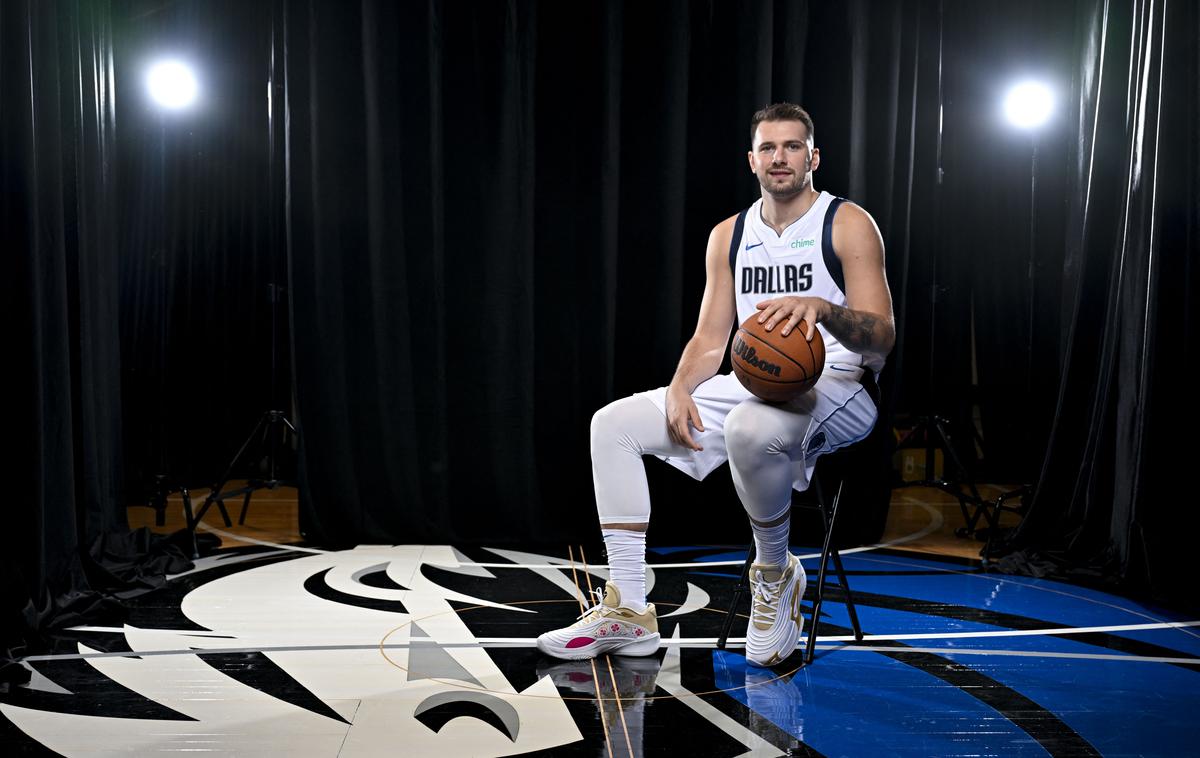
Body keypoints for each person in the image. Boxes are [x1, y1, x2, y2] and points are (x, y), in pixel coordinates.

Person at [536, 103, 895, 666]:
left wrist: (824, 310)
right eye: (769, 148)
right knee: (613, 427)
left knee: (751, 427)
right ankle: (629, 610)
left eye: (793, 146)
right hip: (756, 381)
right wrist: (681, 386)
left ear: (813, 157)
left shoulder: (846, 223)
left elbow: (881, 338)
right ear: (752, 160)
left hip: (840, 384)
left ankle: (775, 573)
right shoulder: (729, 235)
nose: (781, 158)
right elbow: (710, 338)